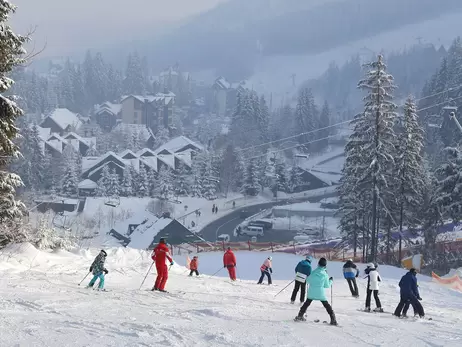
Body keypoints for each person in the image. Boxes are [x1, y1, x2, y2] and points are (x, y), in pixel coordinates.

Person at [295, 258, 337, 325]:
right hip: (320, 293)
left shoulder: (313, 272)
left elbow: (308, 281)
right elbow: (327, 285)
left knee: (307, 303)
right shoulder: (325, 275)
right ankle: (333, 319)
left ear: (318, 264)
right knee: (327, 305)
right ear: (325, 265)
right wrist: (331, 281)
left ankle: (300, 315)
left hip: (311, 292)